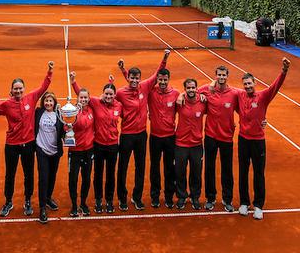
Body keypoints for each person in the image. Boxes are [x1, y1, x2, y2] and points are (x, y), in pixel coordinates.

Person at [0, 61, 54, 217]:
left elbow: (43, 87)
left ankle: (27, 200)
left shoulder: (31, 98)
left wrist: (49, 72)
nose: (18, 91)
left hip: (28, 144)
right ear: (11, 91)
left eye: (20, 88)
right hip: (12, 145)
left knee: (28, 173)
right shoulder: (6, 105)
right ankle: (8, 202)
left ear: (24, 89)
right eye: (15, 89)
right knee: (10, 174)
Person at [113, 51, 169, 211]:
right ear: (128, 78)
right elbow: (109, 101)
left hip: (141, 136)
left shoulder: (145, 86)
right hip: (126, 136)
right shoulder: (121, 93)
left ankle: (136, 197)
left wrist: (165, 58)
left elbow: (158, 73)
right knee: (122, 167)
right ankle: (122, 198)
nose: (134, 80)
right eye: (131, 78)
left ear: (140, 79)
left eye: (137, 78)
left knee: (140, 166)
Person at [236, 58, 291, 219]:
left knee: (259, 173)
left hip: (258, 141)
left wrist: (284, 71)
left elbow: (276, 86)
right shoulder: (239, 95)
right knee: (243, 172)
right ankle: (244, 203)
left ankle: (258, 205)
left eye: (249, 83)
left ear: (254, 83)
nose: (247, 86)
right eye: (245, 84)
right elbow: (222, 90)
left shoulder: (264, 96)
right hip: (243, 140)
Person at [71, 71, 121, 214]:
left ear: (114, 95)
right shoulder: (96, 103)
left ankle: (109, 201)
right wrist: (74, 81)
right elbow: (82, 96)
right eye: (106, 94)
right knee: (98, 174)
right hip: (98, 145)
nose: (108, 96)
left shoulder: (119, 106)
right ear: (102, 94)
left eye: (111, 94)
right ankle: (99, 200)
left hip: (112, 146)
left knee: (111, 174)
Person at [198, 65, 240, 212]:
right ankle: (210, 198)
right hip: (210, 136)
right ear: (215, 76)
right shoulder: (207, 90)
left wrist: (261, 120)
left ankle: (227, 199)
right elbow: (189, 93)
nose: (221, 77)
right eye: (219, 75)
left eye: (224, 75)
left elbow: (247, 107)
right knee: (209, 168)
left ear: (227, 76)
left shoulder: (234, 93)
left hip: (227, 138)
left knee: (227, 169)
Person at [174, 78, 207, 209]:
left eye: (193, 87)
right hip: (180, 143)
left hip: (196, 145)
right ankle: (182, 196)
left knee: (196, 173)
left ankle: (195, 197)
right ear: (185, 89)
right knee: (180, 172)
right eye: (188, 88)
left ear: (196, 89)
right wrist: (181, 95)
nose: (191, 90)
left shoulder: (203, 102)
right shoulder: (179, 102)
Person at [33, 92, 65, 223]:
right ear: (43, 102)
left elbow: (63, 132)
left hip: (55, 151)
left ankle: (48, 198)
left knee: (52, 176)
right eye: (46, 101)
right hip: (41, 150)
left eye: (51, 101)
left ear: (55, 102)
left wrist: (68, 130)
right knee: (43, 178)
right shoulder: (38, 112)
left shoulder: (59, 115)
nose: (48, 103)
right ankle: (42, 207)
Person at [66, 87, 96, 217]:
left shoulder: (92, 111)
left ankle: (83, 203)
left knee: (86, 178)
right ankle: (74, 205)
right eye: (81, 97)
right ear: (77, 99)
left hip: (88, 151)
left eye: (85, 97)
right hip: (75, 151)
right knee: (73, 179)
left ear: (89, 99)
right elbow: (66, 127)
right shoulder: (72, 112)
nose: (83, 99)